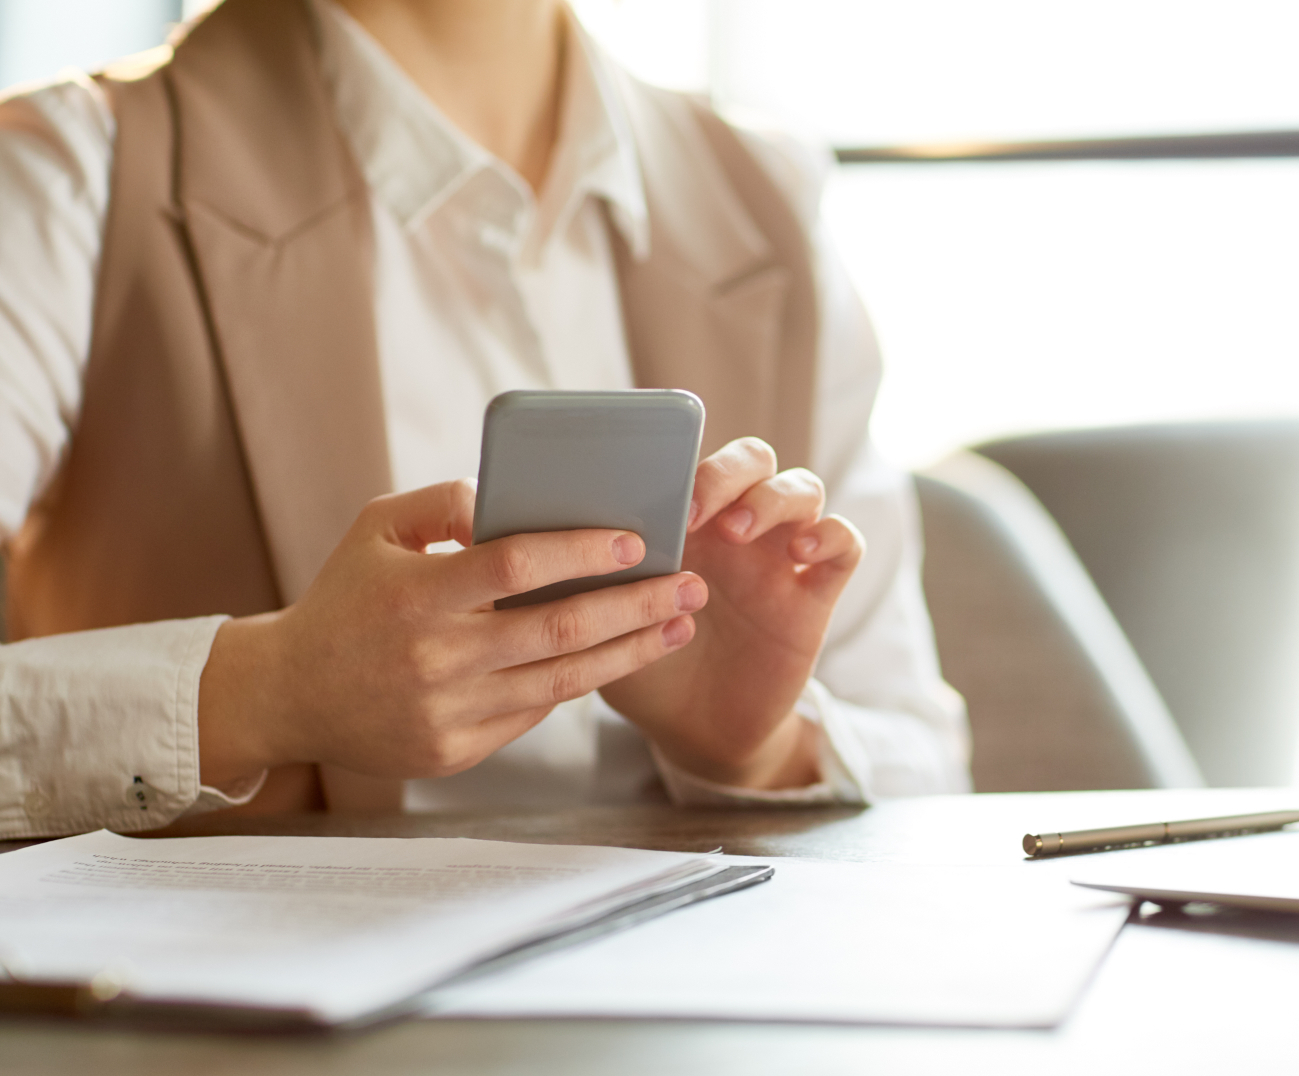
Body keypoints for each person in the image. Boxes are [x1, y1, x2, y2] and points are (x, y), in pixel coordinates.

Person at [0, 0, 970, 839]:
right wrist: (270, 692)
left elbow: (927, 762)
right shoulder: (61, 176)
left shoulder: (770, 198)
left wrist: (756, 751)